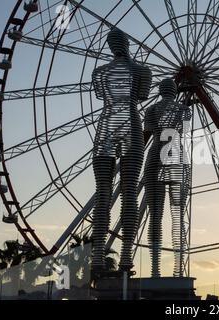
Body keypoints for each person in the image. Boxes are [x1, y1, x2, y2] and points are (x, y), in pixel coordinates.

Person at [91, 28, 152, 272]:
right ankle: (126, 257)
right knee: (129, 192)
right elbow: (142, 95)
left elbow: (99, 94)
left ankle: (96, 258)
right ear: (127, 44)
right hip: (130, 122)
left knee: (102, 192)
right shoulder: (143, 71)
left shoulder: (99, 73)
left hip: (106, 124)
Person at [144, 79, 191, 277]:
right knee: (177, 215)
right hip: (176, 154)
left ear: (160, 90)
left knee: (155, 214)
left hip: (155, 154)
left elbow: (145, 135)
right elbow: (186, 131)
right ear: (175, 90)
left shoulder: (151, 110)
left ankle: (155, 269)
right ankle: (178, 269)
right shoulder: (184, 110)